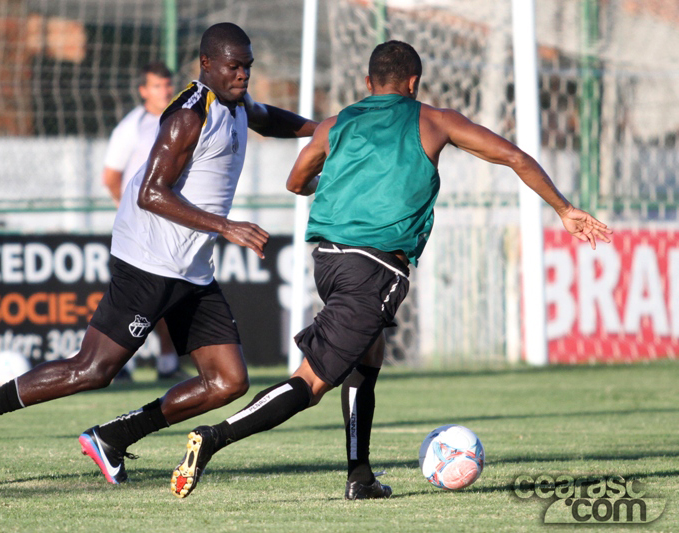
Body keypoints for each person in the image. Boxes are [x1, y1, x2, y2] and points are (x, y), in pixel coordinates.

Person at [169, 40, 613, 500]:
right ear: (414, 82)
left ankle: (360, 477)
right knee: (312, 381)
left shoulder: (337, 122)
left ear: (368, 83)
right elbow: (515, 157)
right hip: (375, 268)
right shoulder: (436, 121)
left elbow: (296, 182)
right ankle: (213, 438)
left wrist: (342, 182)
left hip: (329, 260)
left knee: (369, 353)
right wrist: (563, 208)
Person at [0, 22, 317, 484]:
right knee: (92, 369)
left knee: (227, 381)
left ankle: (114, 435)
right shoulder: (189, 115)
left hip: (190, 267)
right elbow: (150, 192)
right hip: (147, 260)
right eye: (234, 66)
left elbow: (270, 118)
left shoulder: (236, 103)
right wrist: (225, 226)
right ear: (206, 64)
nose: (243, 74)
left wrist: (328, 128)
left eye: (248, 66)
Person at [101, 61, 185, 381]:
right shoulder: (131, 128)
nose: (164, 91)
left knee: (170, 295)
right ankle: (119, 363)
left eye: (167, 84)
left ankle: (167, 363)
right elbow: (110, 176)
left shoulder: (179, 119)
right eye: (156, 86)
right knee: (136, 298)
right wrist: (129, 210)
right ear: (143, 91)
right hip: (140, 229)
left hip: (172, 225)